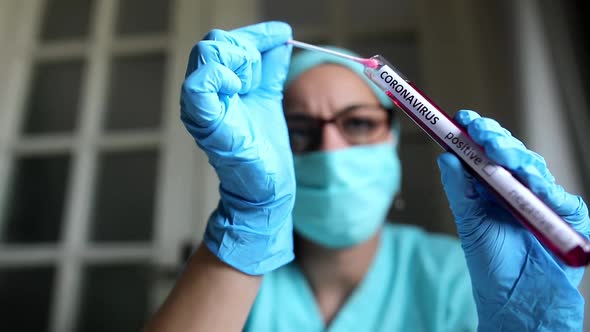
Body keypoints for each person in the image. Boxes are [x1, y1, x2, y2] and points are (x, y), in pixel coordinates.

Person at [144, 21, 589, 331]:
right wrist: (248, 215)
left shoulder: (459, 276)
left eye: (357, 123)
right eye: (299, 131)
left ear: (392, 136)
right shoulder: (233, 279)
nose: (332, 150)